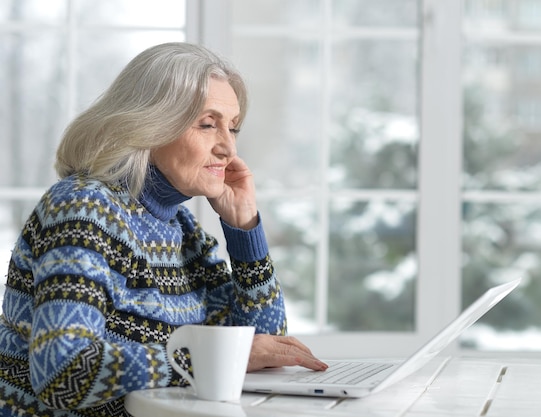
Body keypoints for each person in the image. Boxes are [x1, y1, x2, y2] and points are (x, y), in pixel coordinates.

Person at [0, 42, 327, 417]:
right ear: (150, 123)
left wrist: (244, 231)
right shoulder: (83, 209)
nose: (227, 148)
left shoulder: (183, 231)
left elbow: (264, 345)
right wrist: (203, 361)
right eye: (207, 124)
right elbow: (62, 370)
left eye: (233, 128)